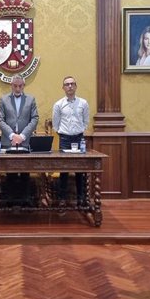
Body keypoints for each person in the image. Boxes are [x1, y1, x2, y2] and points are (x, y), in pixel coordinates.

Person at [0, 75, 39, 205]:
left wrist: (22, 136)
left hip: (25, 142)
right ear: (11, 85)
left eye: (20, 85)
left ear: (23, 86)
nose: (17, 88)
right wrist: (12, 136)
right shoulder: (3, 99)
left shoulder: (31, 99)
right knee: (10, 171)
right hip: (8, 141)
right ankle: (11, 200)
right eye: (15, 85)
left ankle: (25, 200)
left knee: (25, 171)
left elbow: (35, 118)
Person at [52, 76, 89, 206]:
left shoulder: (83, 103)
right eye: (67, 84)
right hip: (65, 139)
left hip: (79, 139)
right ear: (63, 88)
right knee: (64, 170)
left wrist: (79, 131)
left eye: (72, 84)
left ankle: (81, 198)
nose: (70, 86)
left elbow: (86, 122)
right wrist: (64, 134)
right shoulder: (58, 104)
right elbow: (55, 124)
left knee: (80, 170)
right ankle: (62, 198)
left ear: (76, 86)